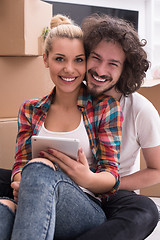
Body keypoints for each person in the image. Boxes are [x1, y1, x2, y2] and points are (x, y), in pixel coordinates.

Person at [0, 14, 123, 240]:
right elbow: (20, 164)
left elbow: (112, 175)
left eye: (78, 60)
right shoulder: (30, 109)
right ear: (45, 60)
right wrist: (20, 183)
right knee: (2, 210)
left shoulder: (106, 108)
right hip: (34, 198)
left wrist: (86, 177)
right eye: (59, 59)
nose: (69, 69)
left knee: (38, 168)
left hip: (84, 207)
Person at [73, 13, 160, 240]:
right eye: (96, 58)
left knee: (146, 211)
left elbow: (157, 170)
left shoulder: (141, 109)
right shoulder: (68, 95)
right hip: (67, 185)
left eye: (113, 64)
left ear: (125, 70)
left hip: (113, 193)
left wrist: (106, 184)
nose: (101, 70)